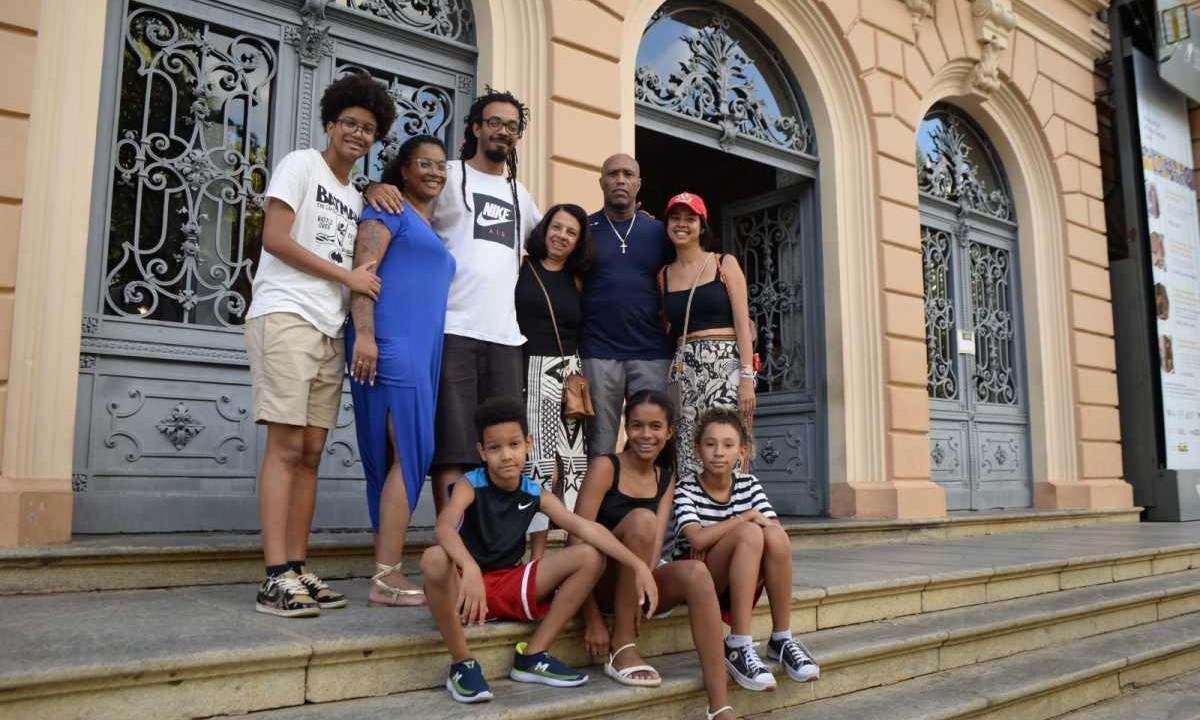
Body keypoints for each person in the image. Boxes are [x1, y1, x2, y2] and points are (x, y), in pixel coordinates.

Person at [244, 71, 396, 617]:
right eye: (350, 123)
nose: (358, 133)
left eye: (369, 128)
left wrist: (375, 190)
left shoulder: (357, 194)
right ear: (331, 123)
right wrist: (348, 277)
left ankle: (298, 567)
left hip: (329, 327)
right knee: (285, 448)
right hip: (286, 314)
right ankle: (274, 574)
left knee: (310, 454)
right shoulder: (301, 165)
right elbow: (276, 238)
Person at [419, 396, 659, 704]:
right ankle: (462, 662)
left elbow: (586, 528)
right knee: (434, 558)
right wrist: (471, 568)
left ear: (528, 443)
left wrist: (637, 565)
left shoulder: (534, 492)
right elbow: (443, 527)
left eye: (514, 445)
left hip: (509, 583)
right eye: (494, 448)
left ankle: (533, 655)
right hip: (466, 589)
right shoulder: (470, 484)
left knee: (589, 554)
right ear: (481, 452)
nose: (506, 456)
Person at [368, 89, 542, 512]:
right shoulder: (445, 175)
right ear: (477, 128)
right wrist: (375, 186)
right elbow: (401, 205)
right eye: (495, 122)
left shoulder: (522, 196)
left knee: (502, 448)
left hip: (505, 337)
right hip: (451, 331)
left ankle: (488, 553)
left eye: (512, 126)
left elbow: (556, 243)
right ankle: (452, 549)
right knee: (454, 447)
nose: (503, 131)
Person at [573, 390, 738, 720]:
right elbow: (575, 547)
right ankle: (622, 645)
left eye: (655, 426)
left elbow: (651, 556)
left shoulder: (666, 479)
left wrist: (641, 588)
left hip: (639, 583)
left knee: (695, 572)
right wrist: (590, 618)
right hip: (599, 580)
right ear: (626, 427)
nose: (645, 435)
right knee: (641, 521)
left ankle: (719, 705)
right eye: (636, 426)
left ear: (669, 431)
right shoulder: (605, 467)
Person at [346, 135, 455, 607]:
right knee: (409, 452)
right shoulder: (387, 209)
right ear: (404, 170)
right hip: (390, 342)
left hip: (421, 348)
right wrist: (365, 335)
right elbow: (363, 272)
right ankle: (386, 576)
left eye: (440, 166)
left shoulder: (429, 225)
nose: (434, 172)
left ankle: (385, 570)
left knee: (403, 454)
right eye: (424, 164)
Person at [665, 408, 820, 692]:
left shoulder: (748, 484)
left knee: (774, 536)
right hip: (700, 582)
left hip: (739, 571)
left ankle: (781, 638)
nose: (719, 453)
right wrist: (742, 519)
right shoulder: (686, 488)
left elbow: (774, 532)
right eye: (710, 444)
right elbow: (697, 540)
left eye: (728, 445)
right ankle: (737, 643)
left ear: (742, 452)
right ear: (698, 450)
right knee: (750, 531)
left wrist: (721, 534)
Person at [581, 154, 675, 457]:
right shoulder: (584, 229)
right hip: (598, 351)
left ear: (638, 183)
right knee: (599, 441)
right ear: (601, 182)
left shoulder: (660, 232)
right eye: (612, 174)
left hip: (652, 352)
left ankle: (648, 503)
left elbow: (687, 276)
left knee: (650, 441)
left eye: (627, 174)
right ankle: (598, 505)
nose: (620, 179)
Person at [659, 192, 756, 479]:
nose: (682, 224)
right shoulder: (663, 274)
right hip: (684, 368)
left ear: (702, 226)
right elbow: (666, 326)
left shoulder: (724, 264)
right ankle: (695, 517)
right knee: (688, 443)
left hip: (726, 365)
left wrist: (747, 377)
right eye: (675, 218)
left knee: (726, 439)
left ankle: (733, 514)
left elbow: (742, 323)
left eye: (690, 219)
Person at [516, 203, 592, 559]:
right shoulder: (522, 266)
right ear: (545, 229)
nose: (562, 235)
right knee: (539, 464)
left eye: (571, 232)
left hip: (570, 376)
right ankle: (537, 556)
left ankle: (576, 552)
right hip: (531, 370)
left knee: (576, 464)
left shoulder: (577, 278)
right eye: (557, 227)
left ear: (578, 241)